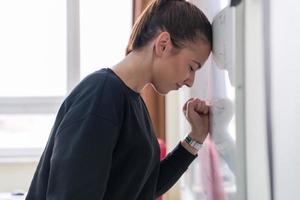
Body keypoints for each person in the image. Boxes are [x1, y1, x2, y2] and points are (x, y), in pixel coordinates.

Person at [25, 0, 212, 199]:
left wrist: (196, 137)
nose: (191, 81)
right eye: (191, 67)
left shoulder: (131, 101)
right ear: (163, 45)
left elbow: (145, 186)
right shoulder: (101, 95)